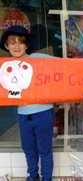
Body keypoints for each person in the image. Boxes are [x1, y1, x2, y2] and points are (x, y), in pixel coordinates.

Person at [0, 25, 54, 181]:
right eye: (12, 42)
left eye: (20, 42)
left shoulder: (38, 58)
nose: (17, 46)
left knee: (44, 150)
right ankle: (33, 176)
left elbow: (64, 67)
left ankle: (47, 178)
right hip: (23, 115)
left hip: (43, 111)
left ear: (27, 44)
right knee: (29, 149)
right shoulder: (5, 67)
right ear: (6, 46)